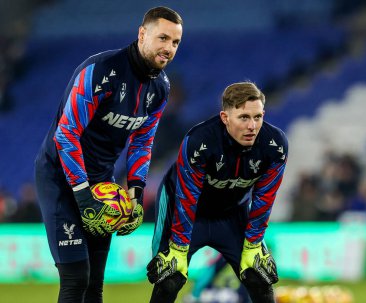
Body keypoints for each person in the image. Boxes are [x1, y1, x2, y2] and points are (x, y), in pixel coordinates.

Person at [34, 6, 183, 303]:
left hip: (102, 185)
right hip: (62, 179)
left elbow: (142, 141)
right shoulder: (101, 71)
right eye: (162, 38)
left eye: (176, 42)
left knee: (95, 285)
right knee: (76, 279)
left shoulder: (161, 88)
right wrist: (81, 193)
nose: (168, 48)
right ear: (142, 34)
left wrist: (136, 192)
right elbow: (66, 134)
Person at [147, 81, 288, 303]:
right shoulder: (199, 140)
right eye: (244, 117)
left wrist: (253, 244)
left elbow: (264, 197)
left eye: (258, 117)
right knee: (169, 279)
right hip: (185, 211)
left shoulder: (275, 145)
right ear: (225, 118)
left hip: (233, 213)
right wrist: (179, 247)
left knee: (259, 277)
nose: (252, 126)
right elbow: (187, 196)